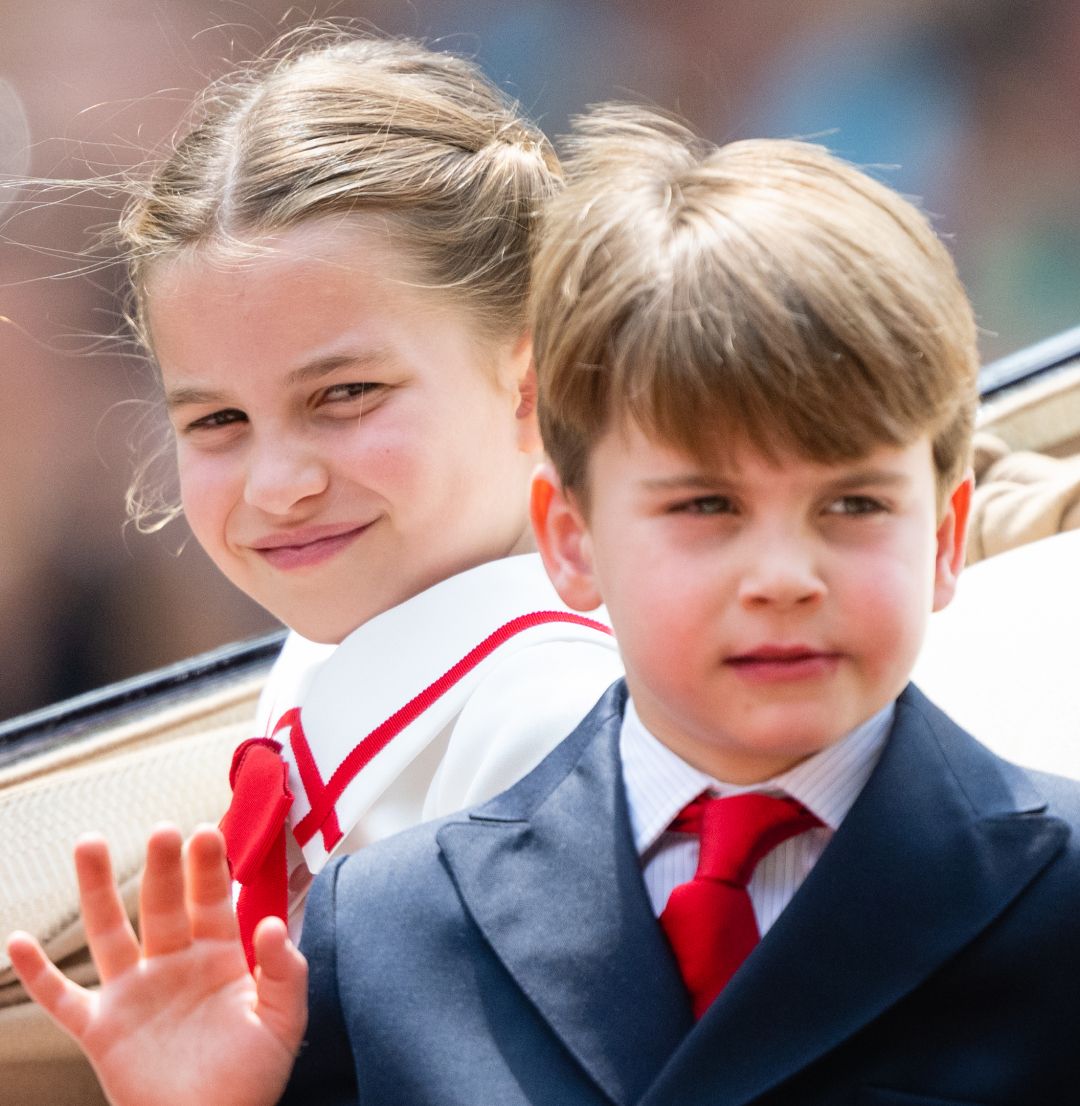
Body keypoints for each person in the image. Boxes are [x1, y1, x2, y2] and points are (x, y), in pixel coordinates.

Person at [12, 105, 1080, 1104]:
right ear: (572, 534)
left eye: (346, 394)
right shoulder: (384, 910)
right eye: (705, 507)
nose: (781, 574)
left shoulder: (534, 712)